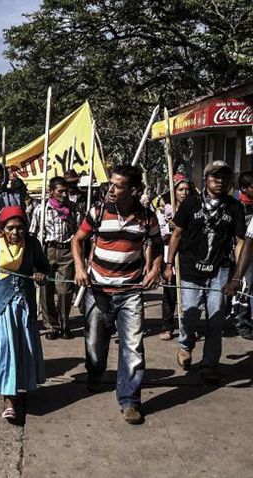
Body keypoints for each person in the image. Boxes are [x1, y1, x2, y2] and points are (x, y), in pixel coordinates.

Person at [72, 164, 163, 425]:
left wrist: (155, 268)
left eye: (118, 185)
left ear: (133, 191)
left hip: (131, 292)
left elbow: (157, 245)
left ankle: (130, 400)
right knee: (95, 346)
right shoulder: (98, 211)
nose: (111, 189)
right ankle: (95, 372)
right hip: (98, 290)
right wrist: (80, 268)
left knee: (133, 347)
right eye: (110, 183)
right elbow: (77, 240)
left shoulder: (147, 217)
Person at [164, 161, 245, 384]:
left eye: (225, 178)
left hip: (219, 270)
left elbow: (239, 242)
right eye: (215, 177)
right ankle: (185, 345)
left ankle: (209, 364)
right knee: (189, 313)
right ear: (206, 179)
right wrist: (169, 264)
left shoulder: (235, 208)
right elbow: (177, 235)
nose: (220, 181)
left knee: (216, 319)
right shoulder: (190, 204)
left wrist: (238, 275)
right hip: (190, 269)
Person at [0, 206, 51, 422]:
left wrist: (41, 276)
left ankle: (20, 388)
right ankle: (9, 400)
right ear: (2, 229)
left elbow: (46, 268)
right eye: (10, 228)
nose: (15, 233)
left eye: (20, 228)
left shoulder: (32, 245)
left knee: (22, 351)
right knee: (4, 351)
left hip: (23, 307)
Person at [30, 176, 80, 339]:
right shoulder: (41, 209)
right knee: (46, 289)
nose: (64, 194)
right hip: (47, 251)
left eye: (66, 190)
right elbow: (32, 232)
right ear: (51, 192)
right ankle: (52, 325)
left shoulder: (74, 208)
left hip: (67, 252)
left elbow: (80, 232)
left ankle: (65, 323)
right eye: (60, 191)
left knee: (65, 290)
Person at [156, 174, 192, 341]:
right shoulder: (166, 209)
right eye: (180, 190)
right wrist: (171, 228)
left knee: (189, 294)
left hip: (189, 254)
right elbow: (161, 232)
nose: (184, 193)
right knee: (169, 293)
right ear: (174, 192)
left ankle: (187, 326)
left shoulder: (194, 208)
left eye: (187, 190)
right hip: (170, 253)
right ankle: (167, 327)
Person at [227, 171, 253, 339]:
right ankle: (242, 322)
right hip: (239, 251)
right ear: (244, 189)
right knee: (244, 284)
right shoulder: (235, 205)